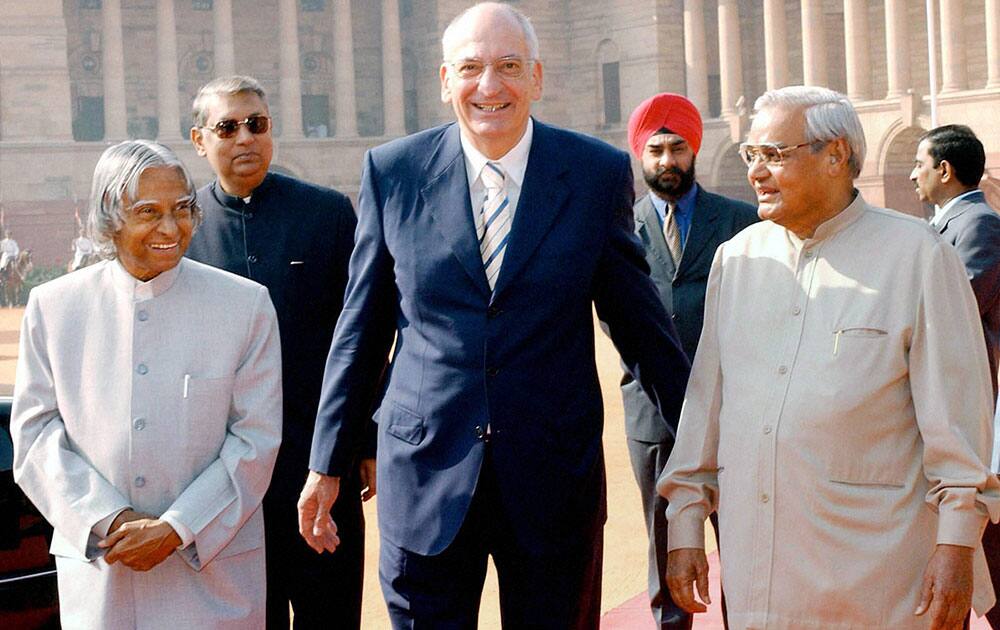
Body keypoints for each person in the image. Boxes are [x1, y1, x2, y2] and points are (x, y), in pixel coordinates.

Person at [297, 3, 690, 628]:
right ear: (445, 80)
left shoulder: (593, 174)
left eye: (508, 66)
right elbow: (361, 330)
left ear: (537, 78)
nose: (490, 86)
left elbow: (642, 327)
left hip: (552, 478)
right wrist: (326, 462)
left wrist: (700, 446)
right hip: (425, 475)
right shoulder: (392, 172)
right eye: (472, 68)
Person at [659, 86, 1000, 629]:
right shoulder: (738, 262)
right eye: (752, 156)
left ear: (835, 154)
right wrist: (685, 524)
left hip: (880, 578)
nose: (757, 173)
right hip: (761, 573)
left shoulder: (918, 257)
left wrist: (957, 545)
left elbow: (957, 428)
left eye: (774, 155)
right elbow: (706, 407)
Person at [10, 140, 282, 629]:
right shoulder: (55, 308)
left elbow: (256, 439)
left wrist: (177, 528)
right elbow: (35, 436)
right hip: (103, 572)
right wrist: (108, 520)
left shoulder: (244, 305)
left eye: (182, 209)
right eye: (148, 212)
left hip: (213, 573)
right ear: (109, 218)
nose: (171, 228)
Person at [185, 75, 369, 630]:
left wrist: (362, 442)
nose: (245, 138)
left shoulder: (328, 215)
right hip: (221, 476)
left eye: (257, 125)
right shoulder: (181, 230)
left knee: (329, 613)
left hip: (316, 465)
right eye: (228, 127)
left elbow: (360, 334)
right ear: (199, 141)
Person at [623, 93, 756, 630]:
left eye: (677, 147)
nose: (667, 160)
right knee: (665, 544)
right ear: (640, 154)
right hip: (653, 411)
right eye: (655, 149)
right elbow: (615, 319)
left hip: (736, 410)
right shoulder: (620, 228)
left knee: (744, 543)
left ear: (694, 149)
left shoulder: (740, 219)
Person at [911, 123, 1000, 629]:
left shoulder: (978, 226)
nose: (913, 174)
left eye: (920, 165)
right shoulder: (948, 226)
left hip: (976, 417)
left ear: (944, 170)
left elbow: (951, 311)